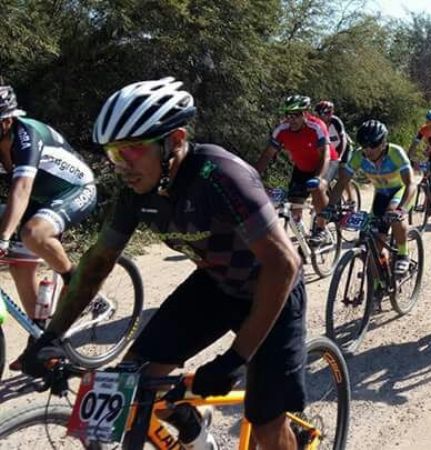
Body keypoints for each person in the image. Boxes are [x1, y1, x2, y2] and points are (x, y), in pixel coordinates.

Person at [21, 78, 307, 450]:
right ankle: (193, 430)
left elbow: (283, 263)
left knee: (266, 425)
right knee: (133, 381)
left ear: (175, 140)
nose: (122, 166)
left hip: (273, 290)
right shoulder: (136, 191)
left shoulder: (220, 176)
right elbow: (97, 263)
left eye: (132, 150)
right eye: (114, 154)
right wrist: (51, 336)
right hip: (216, 286)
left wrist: (237, 357)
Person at [0, 85, 97, 371]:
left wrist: (3, 237)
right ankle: (41, 338)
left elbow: (21, 189)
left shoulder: (26, 136)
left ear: (6, 121)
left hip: (75, 189)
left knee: (34, 233)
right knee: (20, 266)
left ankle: (77, 282)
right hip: (40, 197)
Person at [329, 120, 415, 274]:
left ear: (383, 142)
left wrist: (401, 210)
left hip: (400, 191)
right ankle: (379, 279)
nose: (368, 150)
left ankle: (403, 254)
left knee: (393, 214)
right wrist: (329, 208)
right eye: (364, 145)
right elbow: (342, 183)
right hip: (380, 194)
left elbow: (410, 184)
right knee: (370, 243)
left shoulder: (395, 153)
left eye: (373, 145)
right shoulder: (358, 156)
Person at [255, 95, 339, 246]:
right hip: (302, 167)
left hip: (325, 162)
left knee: (317, 187)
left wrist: (318, 177)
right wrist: (252, 177)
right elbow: (267, 155)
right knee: (294, 206)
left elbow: (325, 155)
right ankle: (306, 244)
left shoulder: (317, 126)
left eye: (296, 115)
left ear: (305, 113)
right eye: (288, 115)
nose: (291, 119)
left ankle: (321, 229)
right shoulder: (282, 130)